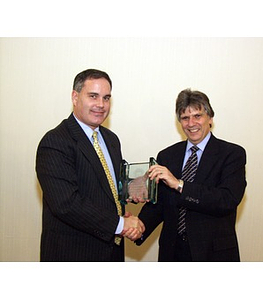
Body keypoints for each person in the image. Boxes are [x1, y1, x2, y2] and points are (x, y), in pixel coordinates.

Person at [36, 69, 144, 262]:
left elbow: (108, 188)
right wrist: (120, 224)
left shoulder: (111, 139)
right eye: (93, 96)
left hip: (111, 252)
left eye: (106, 97)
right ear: (75, 97)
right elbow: (66, 204)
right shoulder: (55, 141)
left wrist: (136, 190)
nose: (101, 105)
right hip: (74, 254)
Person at [135, 89, 247, 261]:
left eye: (197, 116)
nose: (191, 123)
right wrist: (138, 227)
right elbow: (159, 205)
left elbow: (226, 200)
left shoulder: (232, 154)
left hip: (213, 254)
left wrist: (180, 184)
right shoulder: (166, 156)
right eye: (185, 118)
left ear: (210, 118)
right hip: (172, 253)